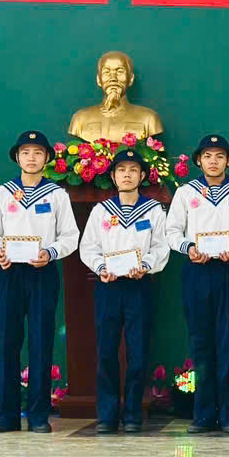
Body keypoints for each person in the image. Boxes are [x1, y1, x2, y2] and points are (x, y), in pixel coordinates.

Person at [165, 134, 229, 435]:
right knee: (201, 342)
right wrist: (188, 248)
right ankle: (203, 415)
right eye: (207, 156)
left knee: (228, 341)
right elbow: (172, 231)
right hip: (197, 272)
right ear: (198, 160)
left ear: (228, 161)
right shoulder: (186, 193)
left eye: (219, 156)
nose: (213, 161)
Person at [0, 131, 80, 433]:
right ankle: (6, 415)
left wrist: (50, 253)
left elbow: (70, 236)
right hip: (9, 272)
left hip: (42, 272)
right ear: (17, 157)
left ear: (47, 158)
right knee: (7, 342)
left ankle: (38, 414)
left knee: (41, 341)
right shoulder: (1, 193)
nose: (32, 158)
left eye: (38, 152)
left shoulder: (57, 195)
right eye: (25, 152)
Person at [80, 148, 171, 434]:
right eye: (121, 170)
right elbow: (88, 247)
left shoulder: (153, 210)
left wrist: (145, 265)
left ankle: (133, 414)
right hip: (108, 286)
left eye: (133, 170)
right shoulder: (101, 211)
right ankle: (107, 415)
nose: (127, 175)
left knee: (138, 351)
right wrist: (100, 267)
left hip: (139, 286)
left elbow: (161, 247)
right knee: (106, 351)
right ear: (113, 176)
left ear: (142, 176)